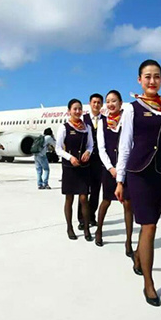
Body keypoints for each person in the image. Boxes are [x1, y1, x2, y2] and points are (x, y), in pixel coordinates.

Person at [115, 60, 161, 307]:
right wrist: (120, 179)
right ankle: (149, 283)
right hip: (138, 174)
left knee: (148, 225)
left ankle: (139, 260)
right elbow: (125, 144)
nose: (152, 81)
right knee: (150, 226)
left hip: (160, 173)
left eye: (157, 77)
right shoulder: (131, 109)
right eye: (147, 77)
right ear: (139, 80)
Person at [94, 90, 134, 256]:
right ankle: (99, 229)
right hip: (109, 169)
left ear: (120, 102)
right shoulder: (102, 123)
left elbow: (131, 143)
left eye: (114, 101)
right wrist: (111, 167)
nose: (111, 104)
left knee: (127, 204)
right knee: (106, 201)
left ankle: (129, 241)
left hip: (126, 168)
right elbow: (101, 148)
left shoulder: (127, 120)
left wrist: (122, 167)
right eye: (108, 101)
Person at [55, 98, 94, 241]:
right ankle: (69, 227)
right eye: (75, 109)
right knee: (69, 198)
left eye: (79, 109)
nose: (77, 111)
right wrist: (70, 157)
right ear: (69, 111)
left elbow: (91, 145)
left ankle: (86, 228)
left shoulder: (86, 128)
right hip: (69, 167)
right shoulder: (64, 127)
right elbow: (58, 148)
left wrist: (88, 152)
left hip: (83, 166)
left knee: (84, 198)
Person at [78, 93, 104, 230]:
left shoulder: (105, 120)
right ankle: (82, 219)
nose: (96, 104)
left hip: (99, 161)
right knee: (83, 191)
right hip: (85, 160)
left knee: (95, 191)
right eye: (94, 102)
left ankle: (91, 216)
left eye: (99, 102)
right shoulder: (83, 119)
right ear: (90, 103)